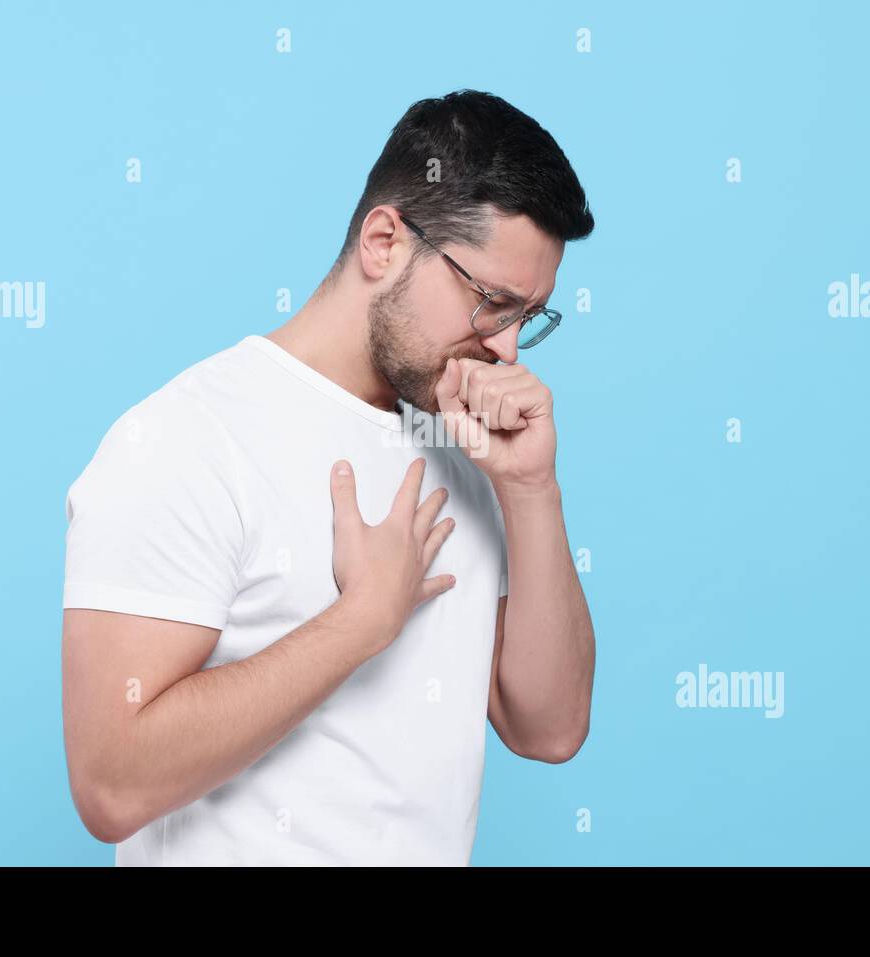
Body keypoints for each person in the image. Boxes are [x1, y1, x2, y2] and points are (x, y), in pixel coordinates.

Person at [60, 89, 597, 865]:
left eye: (529, 317)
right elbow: (111, 783)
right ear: (384, 241)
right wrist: (361, 622)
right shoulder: (184, 438)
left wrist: (530, 490)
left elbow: (549, 728)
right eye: (491, 303)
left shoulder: (466, 443)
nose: (508, 349)